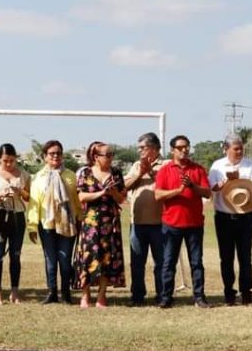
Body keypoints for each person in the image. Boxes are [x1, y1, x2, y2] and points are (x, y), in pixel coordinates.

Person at [154, 135, 211, 309]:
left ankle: (199, 297)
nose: (184, 150)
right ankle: (166, 297)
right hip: (171, 224)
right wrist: (178, 190)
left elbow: (207, 193)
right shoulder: (165, 170)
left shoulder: (197, 169)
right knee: (168, 263)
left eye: (186, 146)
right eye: (180, 147)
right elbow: (158, 195)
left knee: (196, 262)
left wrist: (192, 186)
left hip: (194, 224)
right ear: (172, 150)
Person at [209, 135, 252, 306]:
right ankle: (229, 293)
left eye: (241, 148)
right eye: (236, 149)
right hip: (224, 217)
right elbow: (212, 189)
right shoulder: (217, 166)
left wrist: (238, 181)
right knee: (226, 257)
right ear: (226, 149)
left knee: (245, 257)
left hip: (245, 217)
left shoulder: (250, 165)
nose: (239, 152)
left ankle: (246, 293)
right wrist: (226, 182)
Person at [74, 142, 127, 308]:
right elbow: (81, 196)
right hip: (90, 223)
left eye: (112, 154)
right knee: (88, 257)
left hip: (110, 221)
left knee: (107, 258)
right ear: (96, 157)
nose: (111, 157)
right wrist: (102, 193)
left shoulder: (116, 174)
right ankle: (85, 295)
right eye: (107, 155)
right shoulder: (86, 172)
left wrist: (114, 193)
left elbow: (121, 199)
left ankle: (102, 296)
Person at [27, 140, 79, 304]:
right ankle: (52, 292)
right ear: (44, 157)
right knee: (50, 259)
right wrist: (32, 226)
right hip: (46, 224)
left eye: (58, 153)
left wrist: (80, 219)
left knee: (64, 259)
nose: (55, 156)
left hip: (67, 224)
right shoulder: (38, 178)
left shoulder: (71, 175)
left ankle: (65, 293)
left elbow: (77, 201)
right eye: (51, 154)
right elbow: (34, 204)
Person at [0, 143, 30, 305]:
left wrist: (19, 191)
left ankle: (14, 291)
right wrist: (0, 194)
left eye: (12, 160)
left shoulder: (23, 174)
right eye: (5, 161)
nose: (9, 164)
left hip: (17, 217)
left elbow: (28, 197)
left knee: (15, 256)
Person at [124, 132, 165, 306]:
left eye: (143, 148)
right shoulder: (135, 166)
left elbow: (168, 186)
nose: (140, 151)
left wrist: (152, 172)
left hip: (161, 223)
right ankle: (137, 296)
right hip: (137, 223)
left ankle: (163, 295)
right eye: (139, 148)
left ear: (155, 148)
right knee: (137, 263)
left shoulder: (167, 165)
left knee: (162, 263)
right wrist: (141, 173)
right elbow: (125, 186)